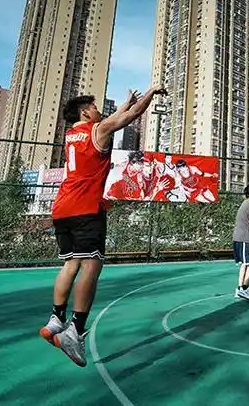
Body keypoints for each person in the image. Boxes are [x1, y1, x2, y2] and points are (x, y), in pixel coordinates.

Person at [39, 85, 167, 367]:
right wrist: (151, 93)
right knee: (91, 266)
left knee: (70, 264)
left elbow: (116, 116)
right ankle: (75, 331)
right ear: (85, 112)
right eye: (95, 107)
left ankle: (56, 319)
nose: (98, 111)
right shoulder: (96, 131)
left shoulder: (71, 135)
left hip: (62, 208)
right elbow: (128, 117)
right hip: (86, 208)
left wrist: (125, 102)